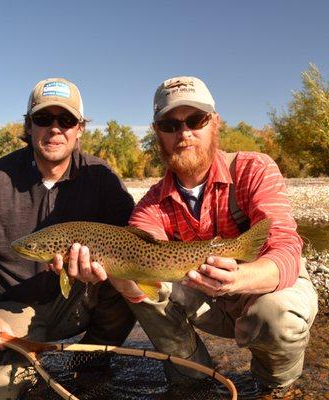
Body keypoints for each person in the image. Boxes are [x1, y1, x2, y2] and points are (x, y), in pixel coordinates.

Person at [109, 75, 317, 396]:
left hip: (259, 290)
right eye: (170, 124)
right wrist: (119, 277)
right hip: (202, 299)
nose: (184, 133)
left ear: (215, 123)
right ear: (158, 133)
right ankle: (195, 379)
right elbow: (139, 271)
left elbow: (286, 251)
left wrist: (237, 279)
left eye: (196, 120)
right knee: (139, 281)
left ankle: (274, 386)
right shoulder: (150, 206)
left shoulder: (253, 169)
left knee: (280, 317)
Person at [0, 77, 136, 399]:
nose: (55, 129)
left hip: (78, 301)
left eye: (66, 120)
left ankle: (89, 363)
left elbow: (139, 240)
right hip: (9, 309)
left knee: (134, 288)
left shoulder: (101, 178)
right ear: (29, 126)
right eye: (44, 119)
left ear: (79, 129)